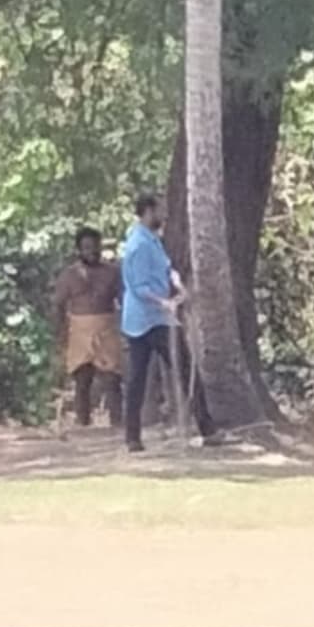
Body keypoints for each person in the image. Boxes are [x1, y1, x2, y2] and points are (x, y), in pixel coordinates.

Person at [120, 193, 212, 451]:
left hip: (160, 316)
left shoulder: (153, 241)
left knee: (184, 367)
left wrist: (177, 284)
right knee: (140, 377)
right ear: (148, 212)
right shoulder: (137, 244)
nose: (164, 214)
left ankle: (207, 428)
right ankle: (132, 437)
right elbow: (139, 287)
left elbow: (166, 268)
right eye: (160, 210)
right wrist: (164, 302)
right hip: (144, 320)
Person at [51, 226, 124, 427]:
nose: (91, 251)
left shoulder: (112, 272)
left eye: (95, 247)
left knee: (112, 379)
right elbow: (58, 305)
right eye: (86, 247)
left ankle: (117, 424)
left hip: (106, 329)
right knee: (82, 380)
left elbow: (124, 300)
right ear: (78, 250)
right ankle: (83, 424)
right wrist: (61, 333)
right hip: (79, 331)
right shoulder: (69, 275)